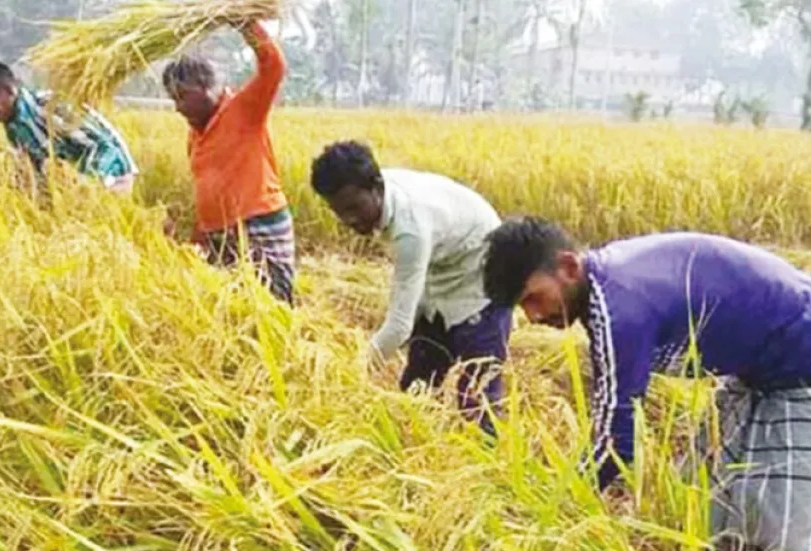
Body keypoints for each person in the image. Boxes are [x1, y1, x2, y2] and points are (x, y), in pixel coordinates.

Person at [481, 216, 811, 550]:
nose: (533, 316)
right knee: (697, 494)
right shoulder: (607, 283)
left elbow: (615, 441)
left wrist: (552, 507)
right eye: (522, 307)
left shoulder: (618, 309)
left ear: (568, 267)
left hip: (799, 369)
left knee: (783, 521)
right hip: (761, 372)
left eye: (533, 297)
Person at [310, 140, 512, 436]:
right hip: (443, 275)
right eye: (339, 211)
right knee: (417, 386)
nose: (348, 220)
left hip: (484, 282)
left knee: (477, 400)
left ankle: (494, 471)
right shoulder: (375, 187)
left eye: (354, 207)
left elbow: (399, 326)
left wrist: (352, 372)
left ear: (376, 187)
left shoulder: (410, 228)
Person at [161, 19, 293, 305]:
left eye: (182, 96)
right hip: (221, 235)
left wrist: (244, 22)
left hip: (258, 227)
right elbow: (206, 190)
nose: (177, 107)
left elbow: (274, 66)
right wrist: (198, 240)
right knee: (233, 311)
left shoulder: (243, 110)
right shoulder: (194, 135)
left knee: (272, 308)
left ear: (205, 86)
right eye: (173, 98)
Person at [0, 61, 138, 195]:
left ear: (9, 90)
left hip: (113, 174)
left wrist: (87, 183)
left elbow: (103, 145)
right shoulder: (13, 128)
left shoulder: (50, 106)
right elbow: (35, 168)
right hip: (78, 185)